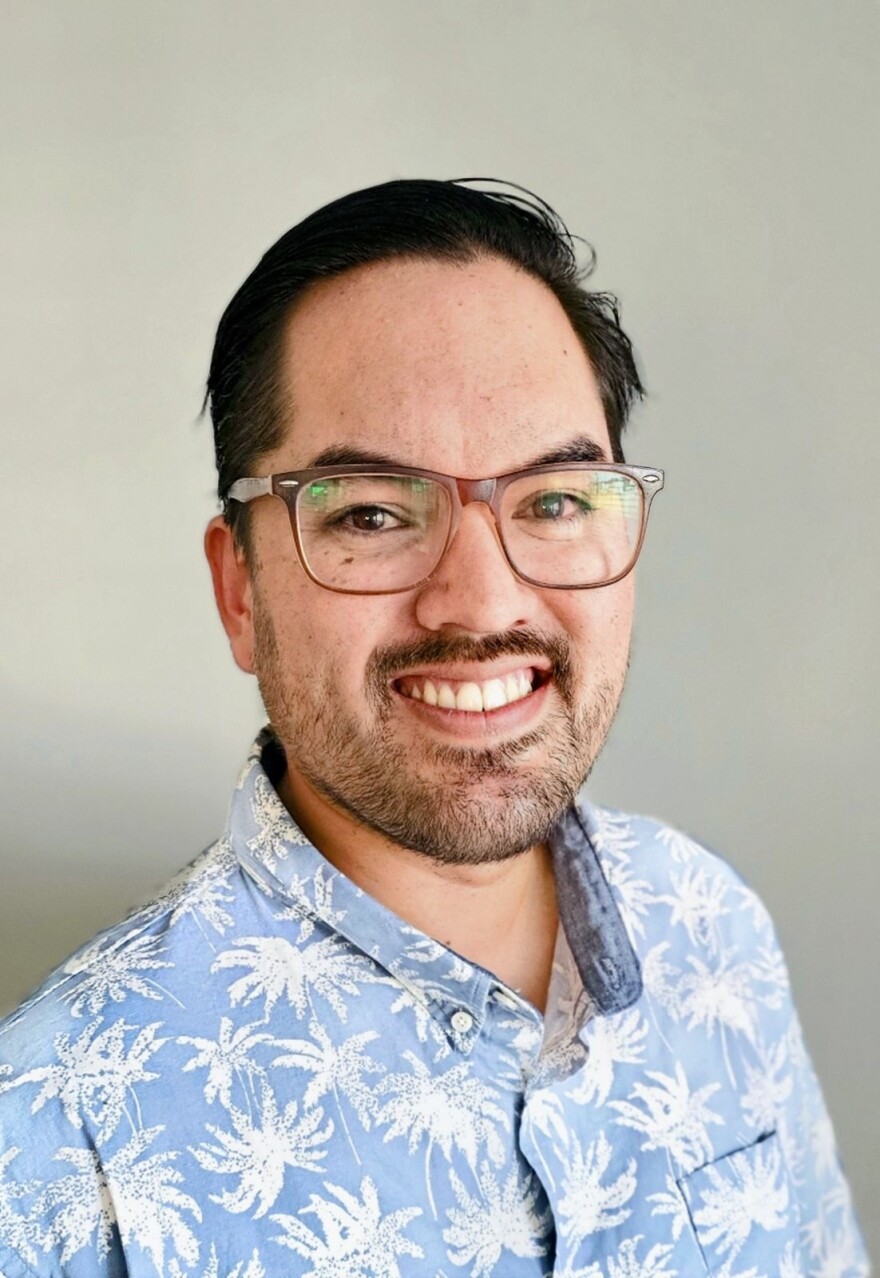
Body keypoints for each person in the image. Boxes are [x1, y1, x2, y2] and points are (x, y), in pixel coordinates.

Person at [0, 179, 868, 1278]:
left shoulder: (712, 928)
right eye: (369, 512)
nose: (482, 603)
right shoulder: (52, 1135)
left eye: (553, 500)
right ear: (242, 595)